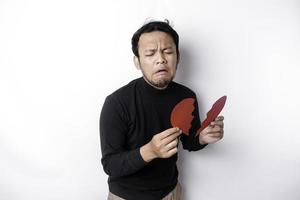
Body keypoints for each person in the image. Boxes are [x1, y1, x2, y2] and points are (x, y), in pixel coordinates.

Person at [100, 20, 224, 200]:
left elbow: (189, 143)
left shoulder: (186, 96)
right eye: (150, 53)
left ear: (178, 57)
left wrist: (203, 138)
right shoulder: (117, 102)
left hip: (171, 192)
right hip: (126, 196)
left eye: (168, 51)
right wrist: (149, 151)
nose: (161, 59)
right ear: (137, 61)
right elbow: (110, 164)